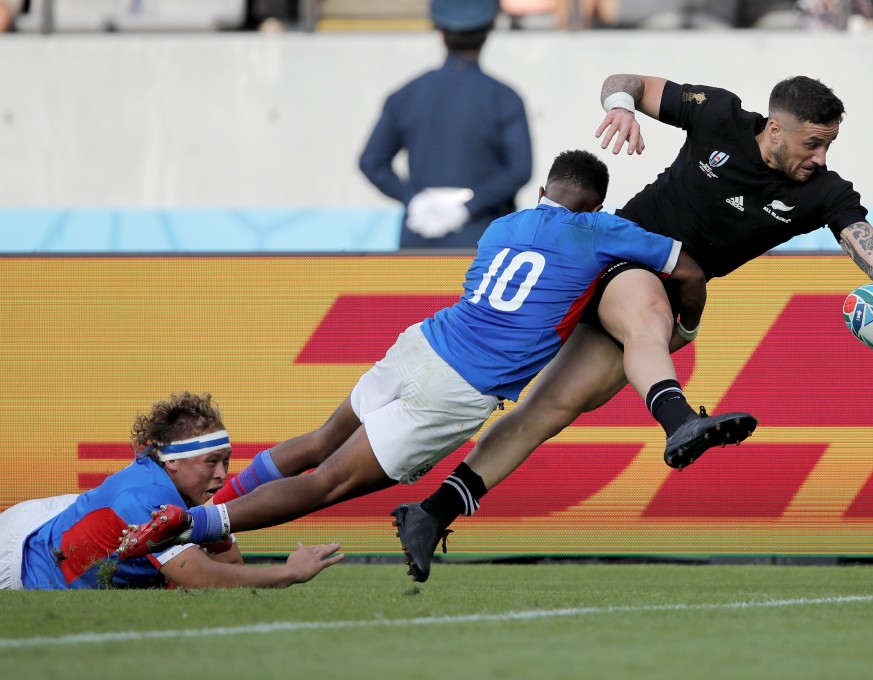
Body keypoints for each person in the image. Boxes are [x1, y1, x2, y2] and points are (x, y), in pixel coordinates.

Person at [386, 72, 873, 582]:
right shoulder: (718, 114)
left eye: (829, 145)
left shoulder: (821, 191)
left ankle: (431, 514)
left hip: (675, 285)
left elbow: (866, 244)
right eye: (812, 143)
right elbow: (621, 80)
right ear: (775, 128)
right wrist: (623, 106)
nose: (821, 157)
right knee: (650, 318)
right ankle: (679, 421)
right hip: (617, 258)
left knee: (547, 413)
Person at [117, 150, 750, 565]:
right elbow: (688, 268)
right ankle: (189, 527)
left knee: (316, 444)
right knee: (325, 483)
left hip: (419, 344)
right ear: (596, 205)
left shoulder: (501, 228)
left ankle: (203, 512)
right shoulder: (599, 231)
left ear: (544, 192)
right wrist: (683, 328)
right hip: (455, 388)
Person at [0, 392, 344, 590]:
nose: (222, 474)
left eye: (226, 461)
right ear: (174, 462)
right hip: (19, 560)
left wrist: (220, 538)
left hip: (70, 520)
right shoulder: (144, 498)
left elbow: (232, 564)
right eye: (211, 462)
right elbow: (202, 576)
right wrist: (290, 572)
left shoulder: (187, 495)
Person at [358, 0, 532, 249]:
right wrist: (469, 206)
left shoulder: (406, 94)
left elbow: (371, 161)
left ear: (440, 32)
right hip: (483, 239)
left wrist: (414, 199)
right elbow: (519, 169)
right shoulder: (504, 97)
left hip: (419, 236)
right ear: (489, 29)